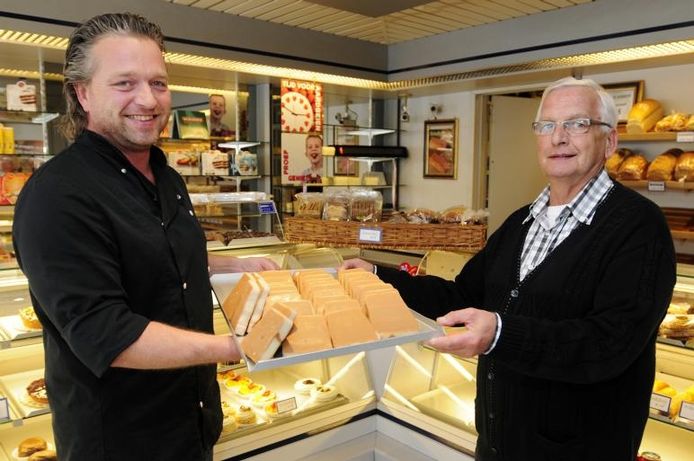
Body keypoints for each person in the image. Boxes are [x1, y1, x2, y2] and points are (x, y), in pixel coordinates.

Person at [343, 77, 676, 460]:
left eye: (577, 124)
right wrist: (379, 279)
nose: (559, 137)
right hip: (497, 447)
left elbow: (609, 344)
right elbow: (461, 296)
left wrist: (501, 334)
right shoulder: (522, 221)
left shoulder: (638, 226)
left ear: (610, 141)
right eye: (546, 125)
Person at [12, 13, 277, 461]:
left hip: (192, 428)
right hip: (121, 442)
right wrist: (234, 347)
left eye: (158, 83)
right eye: (125, 83)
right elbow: (104, 332)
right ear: (82, 93)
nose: (148, 99)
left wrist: (233, 265)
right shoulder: (57, 194)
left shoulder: (165, 177)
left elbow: (158, 255)